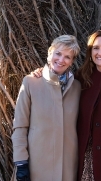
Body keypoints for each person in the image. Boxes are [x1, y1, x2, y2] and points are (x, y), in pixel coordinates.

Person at [31, 30, 101, 181]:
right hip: (84, 154)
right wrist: (41, 72)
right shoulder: (82, 76)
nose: (100, 53)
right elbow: (58, 83)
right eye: (96, 48)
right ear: (90, 52)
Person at [12, 35, 82, 181]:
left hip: (67, 168)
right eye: (58, 53)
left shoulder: (77, 88)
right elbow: (20, 126)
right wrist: (21, 162)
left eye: (67, 57)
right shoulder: (30, 82)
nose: (61, 60)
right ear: (50, 54)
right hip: (36, 167)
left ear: (72, 62)